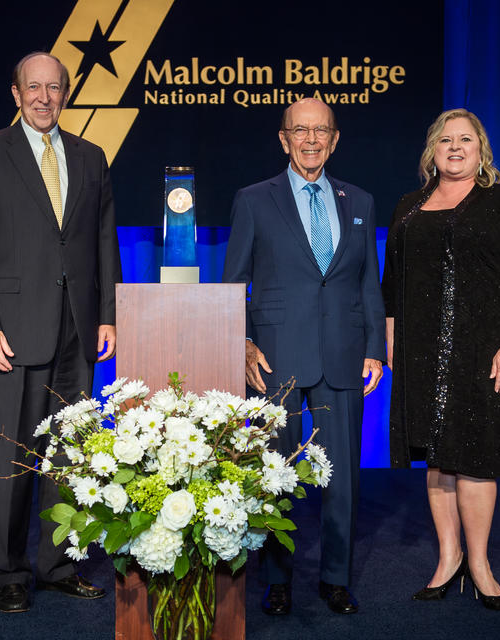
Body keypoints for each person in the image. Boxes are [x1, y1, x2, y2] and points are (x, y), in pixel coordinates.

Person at [0, 52, 122, 613]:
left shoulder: (91, 155)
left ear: (66, 93)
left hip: (77, 329)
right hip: (12, 332)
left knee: (70, 456)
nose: (43, 97)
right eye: (34, 87)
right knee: (10, 457)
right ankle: (7, 571)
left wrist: (108, 314)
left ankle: (57, 565)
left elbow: (103, 242)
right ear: (15, 92)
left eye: (54, 87)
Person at [222, 98, 387, 615]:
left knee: (342, 477)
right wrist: (242, 342)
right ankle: (277, 579)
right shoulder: (253, 199)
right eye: (300, 130)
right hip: (275, 360)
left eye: (321, 131)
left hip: (343, 356)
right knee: (275, 474)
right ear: (283, 138)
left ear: (335, 139)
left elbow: (367, 283)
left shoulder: (359, 200)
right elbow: (234, 283)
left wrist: (376, 350)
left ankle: (335, 578)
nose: (311, 139)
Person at [381, 109, 500, 611]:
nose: (455, 147)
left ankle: (480, 565)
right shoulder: (409, 205)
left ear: (481, 149)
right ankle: (448, 559)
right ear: (432, 150)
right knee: (438, 460)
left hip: (484, 352)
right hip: (420, 352)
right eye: (445, 140)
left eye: (465, 140)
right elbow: (392, 285)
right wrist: (390, 343)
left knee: (476, 459)